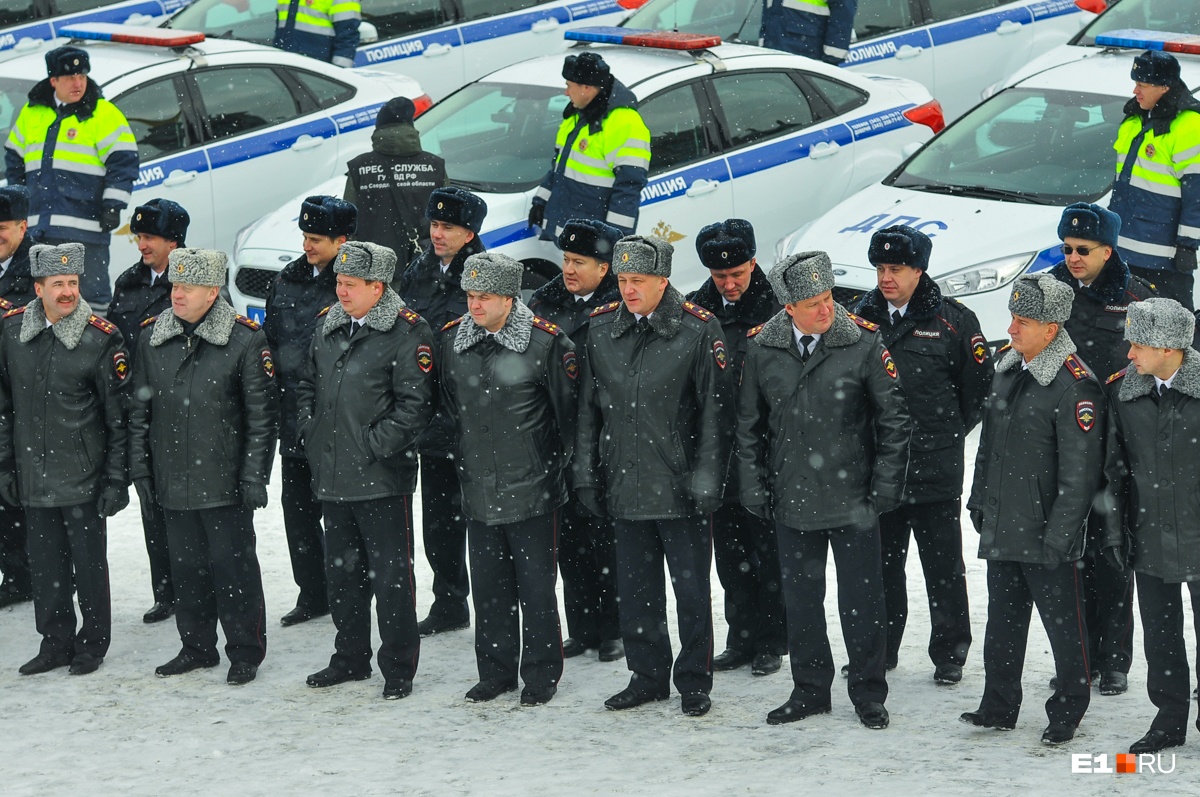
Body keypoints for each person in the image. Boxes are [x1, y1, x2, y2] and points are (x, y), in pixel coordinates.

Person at [737, 251, 909, 730]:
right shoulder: (763, 348)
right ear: (788, 308)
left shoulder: (863, 343)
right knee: (802, 601)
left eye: (829, 298)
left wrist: (885, 487)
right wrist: (753, 486)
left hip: (854, 498)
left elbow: (894, 421)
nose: (825, 310)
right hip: (792, 497)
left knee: (862, 601)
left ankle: (869, 692)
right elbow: (749, 426)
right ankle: (810, 689)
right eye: (812, 303)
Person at [574, 235, 731, 718]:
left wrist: (707, 475)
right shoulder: (601, 330)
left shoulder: (698, 330)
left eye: (638, 281)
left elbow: (715, 413)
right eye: (622, 280)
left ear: (664, 280)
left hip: (679, 484)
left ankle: (693, 680)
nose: (628, 290)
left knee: (690, 592)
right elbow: (588, 411)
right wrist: (585, 473)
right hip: (623, 481)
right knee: (636, 589)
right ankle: (646, 676)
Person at [962, 274, 1105, 745]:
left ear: (1051, 328)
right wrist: (979, 499)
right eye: (1012, 318)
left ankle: (1068, 709)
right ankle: (998, 704)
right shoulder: (1008, 370)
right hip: (1005, 525)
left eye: (1022, 321)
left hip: (1048, 534)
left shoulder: (1073, 387)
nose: (1012, 328)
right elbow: (989, 449)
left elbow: (1079, 476)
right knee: (1003, 622)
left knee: (1066, 631)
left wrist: (1060, 536)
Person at [129, 248, 278, 686]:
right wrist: (141, 470)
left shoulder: (245, 340)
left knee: (234, 570)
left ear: (212, 292)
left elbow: (261, 418)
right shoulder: (152, 338)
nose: (177, 294)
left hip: (225, 480)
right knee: (186, 569)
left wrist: (253, 476)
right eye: (175, 285)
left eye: (187, 288)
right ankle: (196, 646)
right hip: (172, 478)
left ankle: (245, 651)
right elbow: (139, 412)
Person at [852, 225, 991, 684]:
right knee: (879, 569)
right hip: (879, 470)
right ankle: (881, 651)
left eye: (896, 269)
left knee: (944, 569)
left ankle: (950, 653)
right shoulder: (857, 319)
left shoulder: (955, 321)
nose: (885, 277)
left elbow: (977, 394)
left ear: (919, 270)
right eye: (880, 268)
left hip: (935, 467)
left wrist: (942, 434)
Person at [297, 241, 435, 701]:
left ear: (378, 287)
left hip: (380, 479)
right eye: (338, 282)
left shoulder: (406, 333)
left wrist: (373, 447)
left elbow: (414, 407)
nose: (341, 291)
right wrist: (312, 432)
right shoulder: (327, 326)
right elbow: (305, 385)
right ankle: (350, 657)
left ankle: (398, 666)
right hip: (333, 476)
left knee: (391, 579)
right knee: (343, 576)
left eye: (351, 285)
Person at [441, 252, 576, 706]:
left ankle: (541, 674)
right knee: (490, 589)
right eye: (470, 296)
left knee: (537, 590)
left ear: (509, 297)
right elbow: (448, 409)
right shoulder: (453, 343)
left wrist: (552, 468)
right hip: (478, 488)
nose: (474, 306)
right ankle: (494, 673)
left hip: (533, 489)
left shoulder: (545, 344)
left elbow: (569, 416)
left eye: (484, 297)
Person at [0, 242, 129, 676]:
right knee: (45, 567)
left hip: (83, 477)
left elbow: (119, 418)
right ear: (38, 288)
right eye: (58, 284)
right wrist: (5, 465)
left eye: (73, 282)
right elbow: (3, 407)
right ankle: (54, 642)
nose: (68, 291)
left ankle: (92, 643)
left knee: (89, 568)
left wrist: (115, 480)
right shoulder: (13, 333)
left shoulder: (100, 338)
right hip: (33, 476)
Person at [1047, 202, 1155, 697]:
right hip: (1059, 442)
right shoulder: (1048, 291)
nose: (1071, 257)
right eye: (1066, 248)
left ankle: (1113, 660)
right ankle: (1078, 657)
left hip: (1115, 446)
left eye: (1082, 250)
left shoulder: (1137, 301)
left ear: (1108, 251)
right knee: (1064, 555)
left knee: (1111, 552)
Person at [686, 219, 786, 677]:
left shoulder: (779, 307)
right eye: (719, 277)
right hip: (718, 454)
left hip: (767, 451)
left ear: (753, 263)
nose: (728, 285)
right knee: (729, 555)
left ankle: (772, 640)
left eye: (737, 275)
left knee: (769, 552)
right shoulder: (697, 312)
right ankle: (740, 637)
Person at [1103, 298, 1200, 754]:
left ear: (1169, 347)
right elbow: (1114, 470)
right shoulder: (1124, 392)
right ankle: (1168, 720)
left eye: (1138, 344)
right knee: (1160, 634)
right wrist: (1116, 530)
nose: (1129, 354)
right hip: (1148, 535)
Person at [528, 218, 623, 662]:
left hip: (605, 435)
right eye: (565, 259)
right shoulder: (546, 302)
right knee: (568, 541)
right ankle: (582, 626)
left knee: (607, 538)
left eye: (578, 262)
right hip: (556, 433)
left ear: (604, 268)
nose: (568, 269)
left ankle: (613, 629)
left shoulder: (620, 304)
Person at [398, 186, 487, 637]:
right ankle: (450, 601)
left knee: (488, 523)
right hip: (432, 424)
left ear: (469, 233)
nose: (437, 234)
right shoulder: (418, 271)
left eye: (447, 227)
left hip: (474, 420)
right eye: (434, 225)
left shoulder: (485, 276)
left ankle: (498, 605)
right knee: (440, 523)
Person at [263, 195, 355, 628]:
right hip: (292, 415)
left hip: (335, 418)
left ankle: (347, 593)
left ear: (343, 240)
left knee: (340, 518)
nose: (307, 246)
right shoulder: (286, 280)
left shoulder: (353, 285)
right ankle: (312, 593)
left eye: (316, 239)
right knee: (297, 513)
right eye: (304, 236)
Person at [4, 45, 138, 309]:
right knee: (41, 299)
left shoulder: (104, 114)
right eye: (69, 78)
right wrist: (19, 203)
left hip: (85, 230)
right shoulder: (33, 113)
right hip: (37, 229)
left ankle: (96, 349)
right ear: (53, 81)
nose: (78, 83)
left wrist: (112, 205)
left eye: (82, 76)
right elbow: (14, 158)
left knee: (91, 299)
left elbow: (124, 163)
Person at [108, 198, 189, 625]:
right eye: (139, 236)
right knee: (150, 503)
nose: (142, 245)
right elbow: (117, 342)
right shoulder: (129, 282)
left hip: (183, 409)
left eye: (150, 237)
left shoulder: (195, 279)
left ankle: (197, 587)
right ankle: (166, 591)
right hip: (139, 411)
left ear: (173, 241)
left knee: (186, 508)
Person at [1109, 49, 1200, 310]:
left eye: (1142, 85)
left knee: (1172, 332)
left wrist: (1187, 245)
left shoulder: (1189, 125)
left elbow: (1197, 193)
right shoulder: (1134, 119)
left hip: (1163, 255)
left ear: (1165, 86)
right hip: (1124, 250)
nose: (1136, 91)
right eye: (1135, 84)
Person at [529, 52, 649, 240]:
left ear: (585, 88)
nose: (566, 92)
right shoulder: (577, 116)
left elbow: (629, 186)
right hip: (575, 235)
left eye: (569, 86)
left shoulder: (624, 123)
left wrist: (616, 238)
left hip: (593, 238)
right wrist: (540, 201)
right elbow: (559, 168)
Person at [344, 96, 446, 273]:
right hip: (424, 268)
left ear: (378, 129)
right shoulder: (434, 166)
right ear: (411, 128)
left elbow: (347, 224)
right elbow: (448, 220)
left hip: (374, 271)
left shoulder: (360, 168)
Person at [0, 184, 35, 610]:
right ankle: (16, 574)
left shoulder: (39, 265)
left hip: (25, 394)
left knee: (23, 492)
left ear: (23, 227)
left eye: (4, 229)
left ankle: (41, 573)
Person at [761, 0, 857, 64]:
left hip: (808, 59)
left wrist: (830, 62)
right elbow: (768, 15)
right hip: (773, 57)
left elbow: (843, 19)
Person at [273, 0, 361, 67]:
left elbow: (348, 37)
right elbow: (280, 33)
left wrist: (339, 71)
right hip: (287, 68)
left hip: (319, 70)